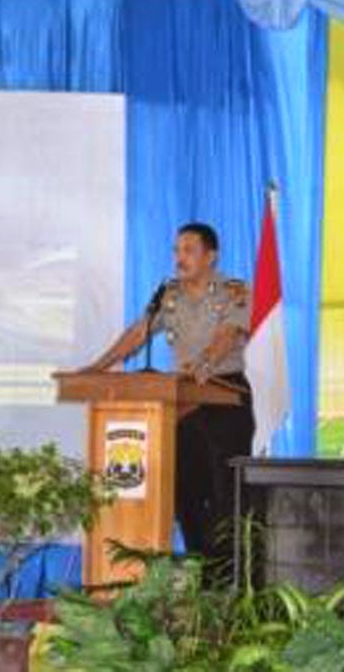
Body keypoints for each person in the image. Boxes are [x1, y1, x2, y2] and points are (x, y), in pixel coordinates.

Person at [82, 222, 254, 566]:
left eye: (188, 250)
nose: (179, 258)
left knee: (225, 494)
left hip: (225, 396)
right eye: (176, 250)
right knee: (186, 491)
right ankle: (200, 568)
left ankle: (229, 576)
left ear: (210, 256)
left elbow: (227, 335)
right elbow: (138, 333)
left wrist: (204, 363)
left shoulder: (234, 291)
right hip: (185, 401)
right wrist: (99, 366)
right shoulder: (169, 295)